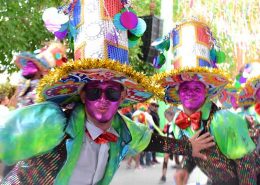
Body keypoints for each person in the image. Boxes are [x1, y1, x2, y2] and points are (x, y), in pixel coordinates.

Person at [0, 2, 214, 185]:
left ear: (122, 97)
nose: (102, 99)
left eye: (111, 92)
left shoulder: (124, 130)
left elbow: (152, 141)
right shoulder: (53, 121)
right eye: (94, 91)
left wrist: (188, 147)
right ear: (83, 95)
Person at [154, 19, 259, 185]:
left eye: (197, 88)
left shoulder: (223, 120)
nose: (190, 93)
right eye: (185, 87)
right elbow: (196, 148)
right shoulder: (179, 123)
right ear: (178, 91)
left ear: (207, 90)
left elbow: (247, 163)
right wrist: (185, 168)